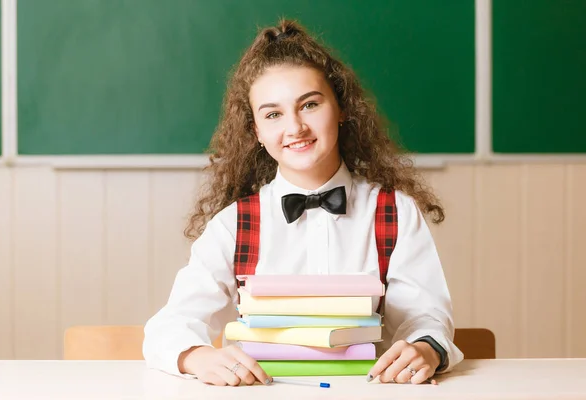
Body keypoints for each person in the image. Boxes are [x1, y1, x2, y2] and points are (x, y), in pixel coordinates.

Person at [143, 18, 463, 386]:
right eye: (273, 114)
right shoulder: (233, 224)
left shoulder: (395, 213)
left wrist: (426, 348)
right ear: (257, 132)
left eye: (309, 104)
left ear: (342, 108)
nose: (295, 128)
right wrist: (198, 357)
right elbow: (170, 326)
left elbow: (426, 317)